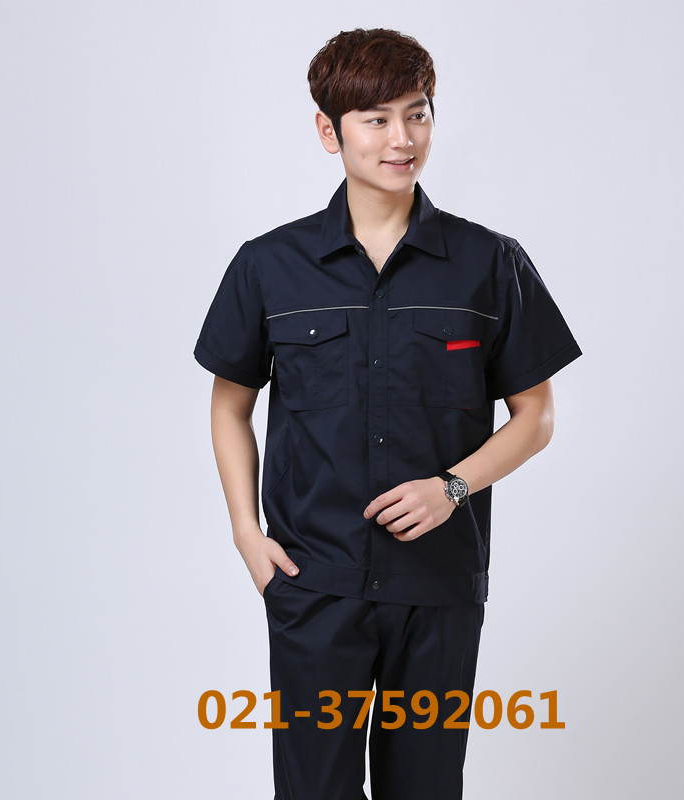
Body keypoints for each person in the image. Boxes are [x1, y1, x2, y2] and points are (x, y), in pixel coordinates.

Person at [194, 27, 582, 800]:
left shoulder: (489, 263)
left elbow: (536, 415)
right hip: (315, 585)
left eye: (417, 113)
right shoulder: (269, 266)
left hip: (438, 588)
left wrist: (453, 488)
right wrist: (245, 531)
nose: (402, 139)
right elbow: (231, 406)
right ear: (329, 130)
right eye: (376, 119)